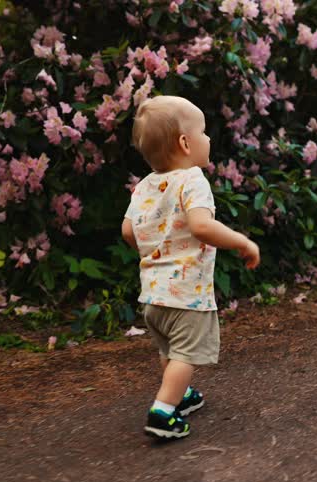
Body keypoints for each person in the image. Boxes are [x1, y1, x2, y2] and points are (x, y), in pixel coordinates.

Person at [122, 96, 260, 440]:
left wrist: (155, 249)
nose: (209, 139)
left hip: (153, 294)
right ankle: (163, 412)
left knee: (170, 349)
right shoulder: (193, 179)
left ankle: (180, 396)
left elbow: (128, 231)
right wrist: (241, 241)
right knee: (186, 353)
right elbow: (201, 227)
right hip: (187, 294)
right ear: (185, 143)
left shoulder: (144, 186)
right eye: (203, 132)